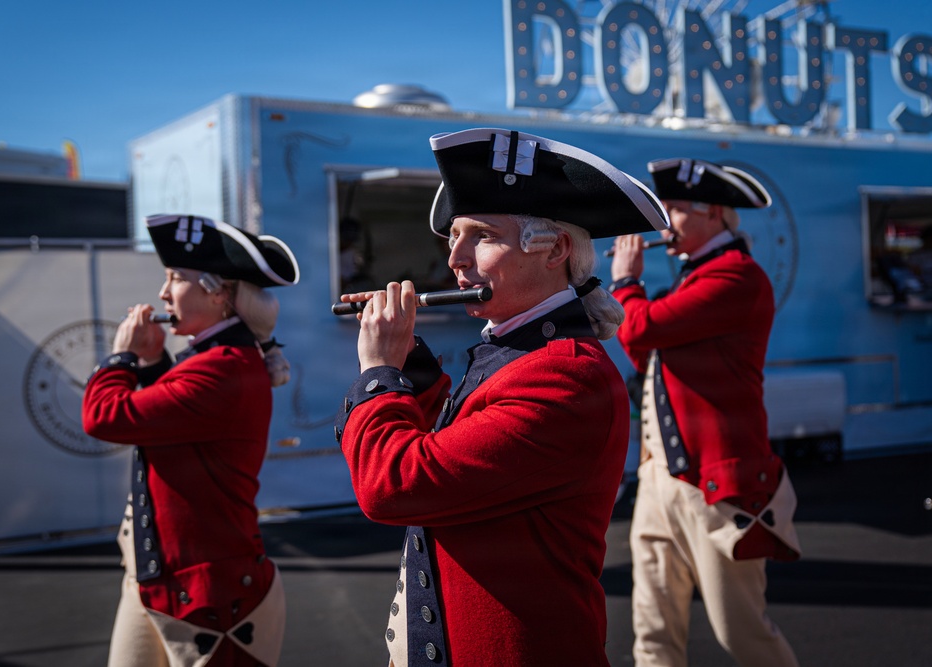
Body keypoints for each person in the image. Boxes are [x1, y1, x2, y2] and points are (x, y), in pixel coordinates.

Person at [334, 128, 670, 666]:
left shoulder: (565, 375)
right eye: (454, 237)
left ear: (555, 249)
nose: (456, 260)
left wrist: (379, 370)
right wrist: (409, 364)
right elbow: (456, 443)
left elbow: (396, 486)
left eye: (483, 236)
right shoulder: (516, 353)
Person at [82, 213, 300, 667]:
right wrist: (153, 359)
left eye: (174, 279)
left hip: (210, 596)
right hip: (161, 580)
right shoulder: (217, 360)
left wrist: (122, 355)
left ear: (218, 292)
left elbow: (105, 417)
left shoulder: (222, 366)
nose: (162, 294)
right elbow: (178, 423)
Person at [608, 158, 802, 667]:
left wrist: (626, 280)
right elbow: (647, 354)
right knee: (651, 630)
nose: (663, 222)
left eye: (674, 209)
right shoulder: (697, 280)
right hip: (660, 480)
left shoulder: (739, 278)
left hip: (715, 485)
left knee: (741, 632)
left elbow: (640, 329)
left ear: (714, 213)